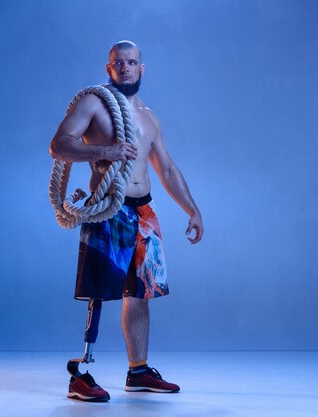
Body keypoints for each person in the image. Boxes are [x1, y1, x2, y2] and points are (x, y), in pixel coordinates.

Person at [49, 40, 203, 402]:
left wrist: (192, 210)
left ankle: (138, 371)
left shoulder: (149, 116)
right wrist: (106, 151)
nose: (125, 68)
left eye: (131, 62)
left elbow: (165, 167)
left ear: (142, 68)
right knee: (98, 291)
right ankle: (81, 373)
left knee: (141, 293)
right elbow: (59, 145)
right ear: (108, 68)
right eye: (118, 63)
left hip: (143, 211)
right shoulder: (94, 103)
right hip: (108, 208)